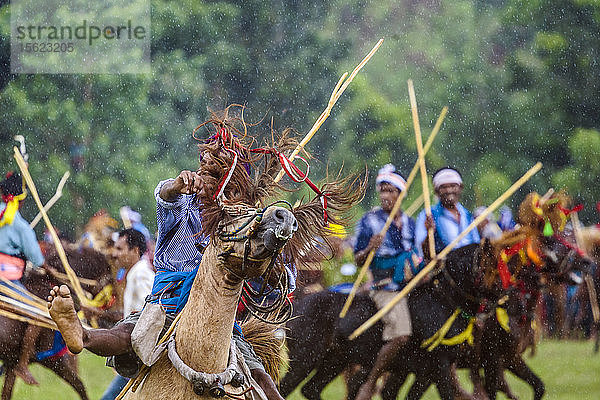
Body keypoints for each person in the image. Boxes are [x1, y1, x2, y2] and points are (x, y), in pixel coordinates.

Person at [47, 170, 289, 400]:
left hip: (220, 322)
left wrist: (275, 247)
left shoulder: (238, 226)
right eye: (209, 177)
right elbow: (165, 195)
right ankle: (82, 335)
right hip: (169, 306)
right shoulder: (183, 206)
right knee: (129, 334)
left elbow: (273, 273)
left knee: (257, 373)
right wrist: (175, 186)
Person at [353, 164, 422, 400]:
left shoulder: (412, 223)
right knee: (402, 335)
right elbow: (358, 260)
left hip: (412, 286)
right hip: (386, 288)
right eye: (382, 190)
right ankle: (371, 383)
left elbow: (418, 255)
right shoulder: (370, 221)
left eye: (391, 190)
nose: (385, 195)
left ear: (401, 194)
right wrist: (370, 247)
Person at [0, 171, 45, 385]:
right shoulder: (19, 224)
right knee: (39, 314)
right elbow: (37, 259)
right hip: (7, 283)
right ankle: (22, 364)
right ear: (23, 199)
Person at [99, 228, 154, 400]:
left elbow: (153, 310)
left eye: (119, 249)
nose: (114, 254)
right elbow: (131, 314)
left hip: (139, 354)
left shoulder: (141, 274)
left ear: (135, 251)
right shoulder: (134, 273)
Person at [415, 167, 481, 259]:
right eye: (444, 187)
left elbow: (476, 244)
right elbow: (421, 251)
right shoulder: (428, 215)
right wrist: (429, 234)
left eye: (453, 186)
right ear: (436, 191)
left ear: (460, 188)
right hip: (444, 269)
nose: (449, 190)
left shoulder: (467, 215)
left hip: (469, 267)